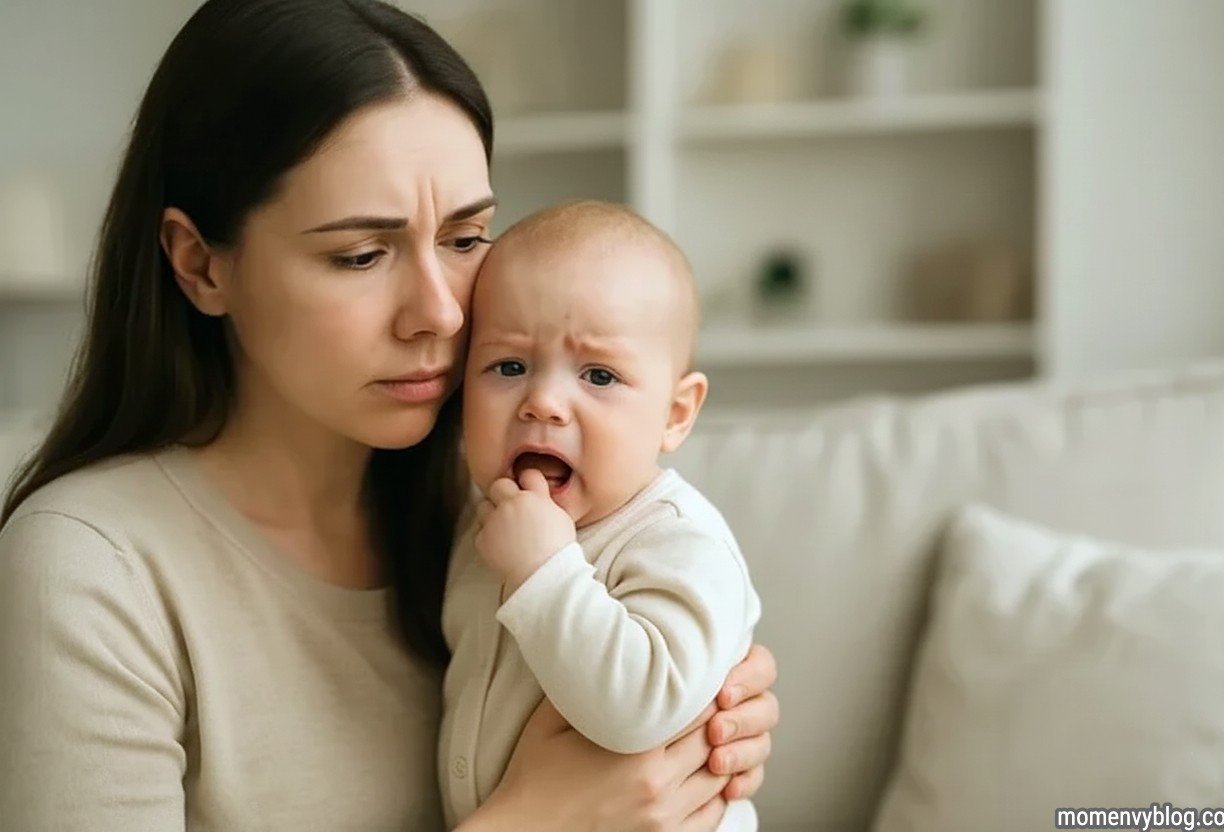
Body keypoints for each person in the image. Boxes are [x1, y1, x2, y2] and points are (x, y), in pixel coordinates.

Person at [0, 1, 779, 830]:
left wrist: (708, 728)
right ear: (200, 264)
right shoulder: (90, 569)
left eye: (465, 237)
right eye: (361, 255)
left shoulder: (495, 505)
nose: (439, 313)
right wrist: (536, 820)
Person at [439, 200, 763, 832]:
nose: (544, 402)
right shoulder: (482, 527)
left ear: (676, 414)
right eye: (509, 366)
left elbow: (643, 710)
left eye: (599, 375)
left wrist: (543, 571)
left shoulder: (679, 540)